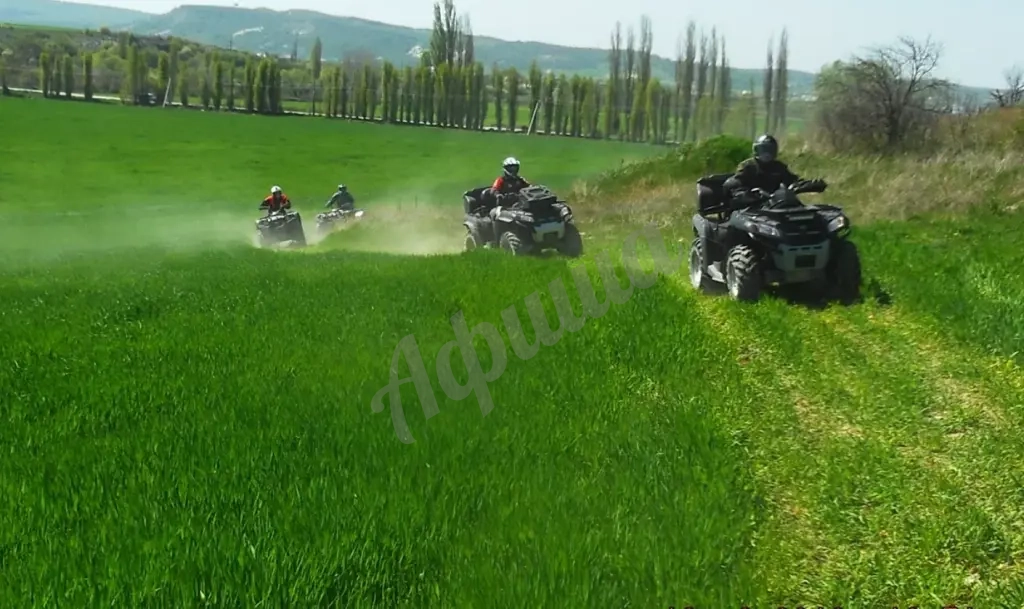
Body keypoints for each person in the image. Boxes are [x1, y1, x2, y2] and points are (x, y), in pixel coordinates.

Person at [723, 134, 802, 200]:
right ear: (757, 150)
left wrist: (803, 184)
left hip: (775, 202)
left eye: (770, 150)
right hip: (753, 203)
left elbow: (792, 180)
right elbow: (737, 183)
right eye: (763, 150)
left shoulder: (779, 166)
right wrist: (747, 194)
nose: (767, 154)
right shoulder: (748, 166)